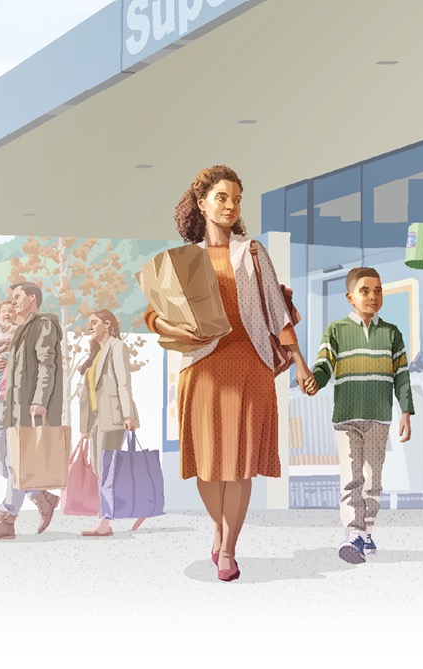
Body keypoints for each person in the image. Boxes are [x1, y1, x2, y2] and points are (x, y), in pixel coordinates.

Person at [144, 165, 314, 582]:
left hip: (249, 363)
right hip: (201, 368)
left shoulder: (252, 251)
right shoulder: (184, 258)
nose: (230, 205)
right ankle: (217, 525)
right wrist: (170, 327)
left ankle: (229, 546)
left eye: (236, 198)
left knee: (239, 465)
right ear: (202, 202)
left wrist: (300, 362)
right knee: (207, 465)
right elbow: (154, 313)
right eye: (222, 197)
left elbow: (277, 311)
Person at [305, 267, 413, 564]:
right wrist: (314, 380)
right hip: (347, 416)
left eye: (378, 290)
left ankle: (366, 531)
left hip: (379, 416)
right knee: (351, 478)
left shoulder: (391, 333)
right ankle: (352, 533)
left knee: (373, 480)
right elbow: (323, 365)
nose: (373, 296)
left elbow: (401, 375)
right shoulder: (337, 330)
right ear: (350, 297)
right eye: (365, 290)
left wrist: (406, 410)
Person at [0, 282, 63, 541]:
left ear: (32, 298)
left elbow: (47, 364)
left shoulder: (43, 325)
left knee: (15, 464)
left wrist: (40, 399)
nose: (12, 303)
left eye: (17, 297)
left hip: (24, 404)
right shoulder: (19, 329)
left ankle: (6, 519)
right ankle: (41, 497)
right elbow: (16, 364)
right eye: (11, 299)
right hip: (5, 400)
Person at [76, 310, 145, 537]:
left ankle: (105, 522)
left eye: (94, 322)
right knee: (100, 468)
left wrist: (128, 415)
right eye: (89, 323)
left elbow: (124, 382)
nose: (90, 326)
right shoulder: (97, 352)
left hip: (114, 417)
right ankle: (138, 502)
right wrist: (86, 427)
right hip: (97, 419)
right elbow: (89, 392)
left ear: (107, 324)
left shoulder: (117, 347)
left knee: (107, 469)